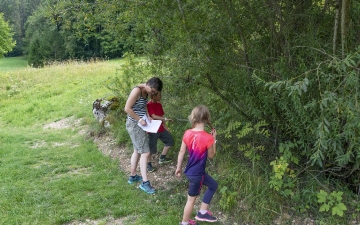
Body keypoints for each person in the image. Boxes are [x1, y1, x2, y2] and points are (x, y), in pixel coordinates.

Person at [175, 105, 218, 225]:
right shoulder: (208, 138)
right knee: (190, 200)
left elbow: (182, 152)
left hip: (190, 171)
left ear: (193, 117)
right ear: (206, 118)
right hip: (197, 174)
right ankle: (185, 222)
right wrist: (214, 140)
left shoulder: (187, 133)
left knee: (213, 184)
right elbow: (211, 156)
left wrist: (178, 167)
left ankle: (202, 212)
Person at [124, 77, 163, 194]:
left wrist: (148, 115)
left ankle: (133, 176)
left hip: (141, 124)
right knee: (145, 153)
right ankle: (145, 183)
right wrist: (139, 119)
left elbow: (144, 105)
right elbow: (127, 108)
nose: (153, 94)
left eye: (155, 93)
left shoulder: (146, 91)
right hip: (135, 125)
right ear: (148, 84)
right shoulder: (137, 91)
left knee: (137, 150)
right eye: (152, 91)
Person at [146, 91, 175, 172]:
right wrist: (165, 119)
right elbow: (153, 116)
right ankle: (148, 165)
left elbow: (161, 116)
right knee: (151, 148)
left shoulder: (159, 104)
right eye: (159, 95)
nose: (160, 96)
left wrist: (165, 126)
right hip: (152, 130)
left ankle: (162, 158)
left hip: (161, 128)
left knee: (170, 141)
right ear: (153, 96)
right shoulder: (149, 105)